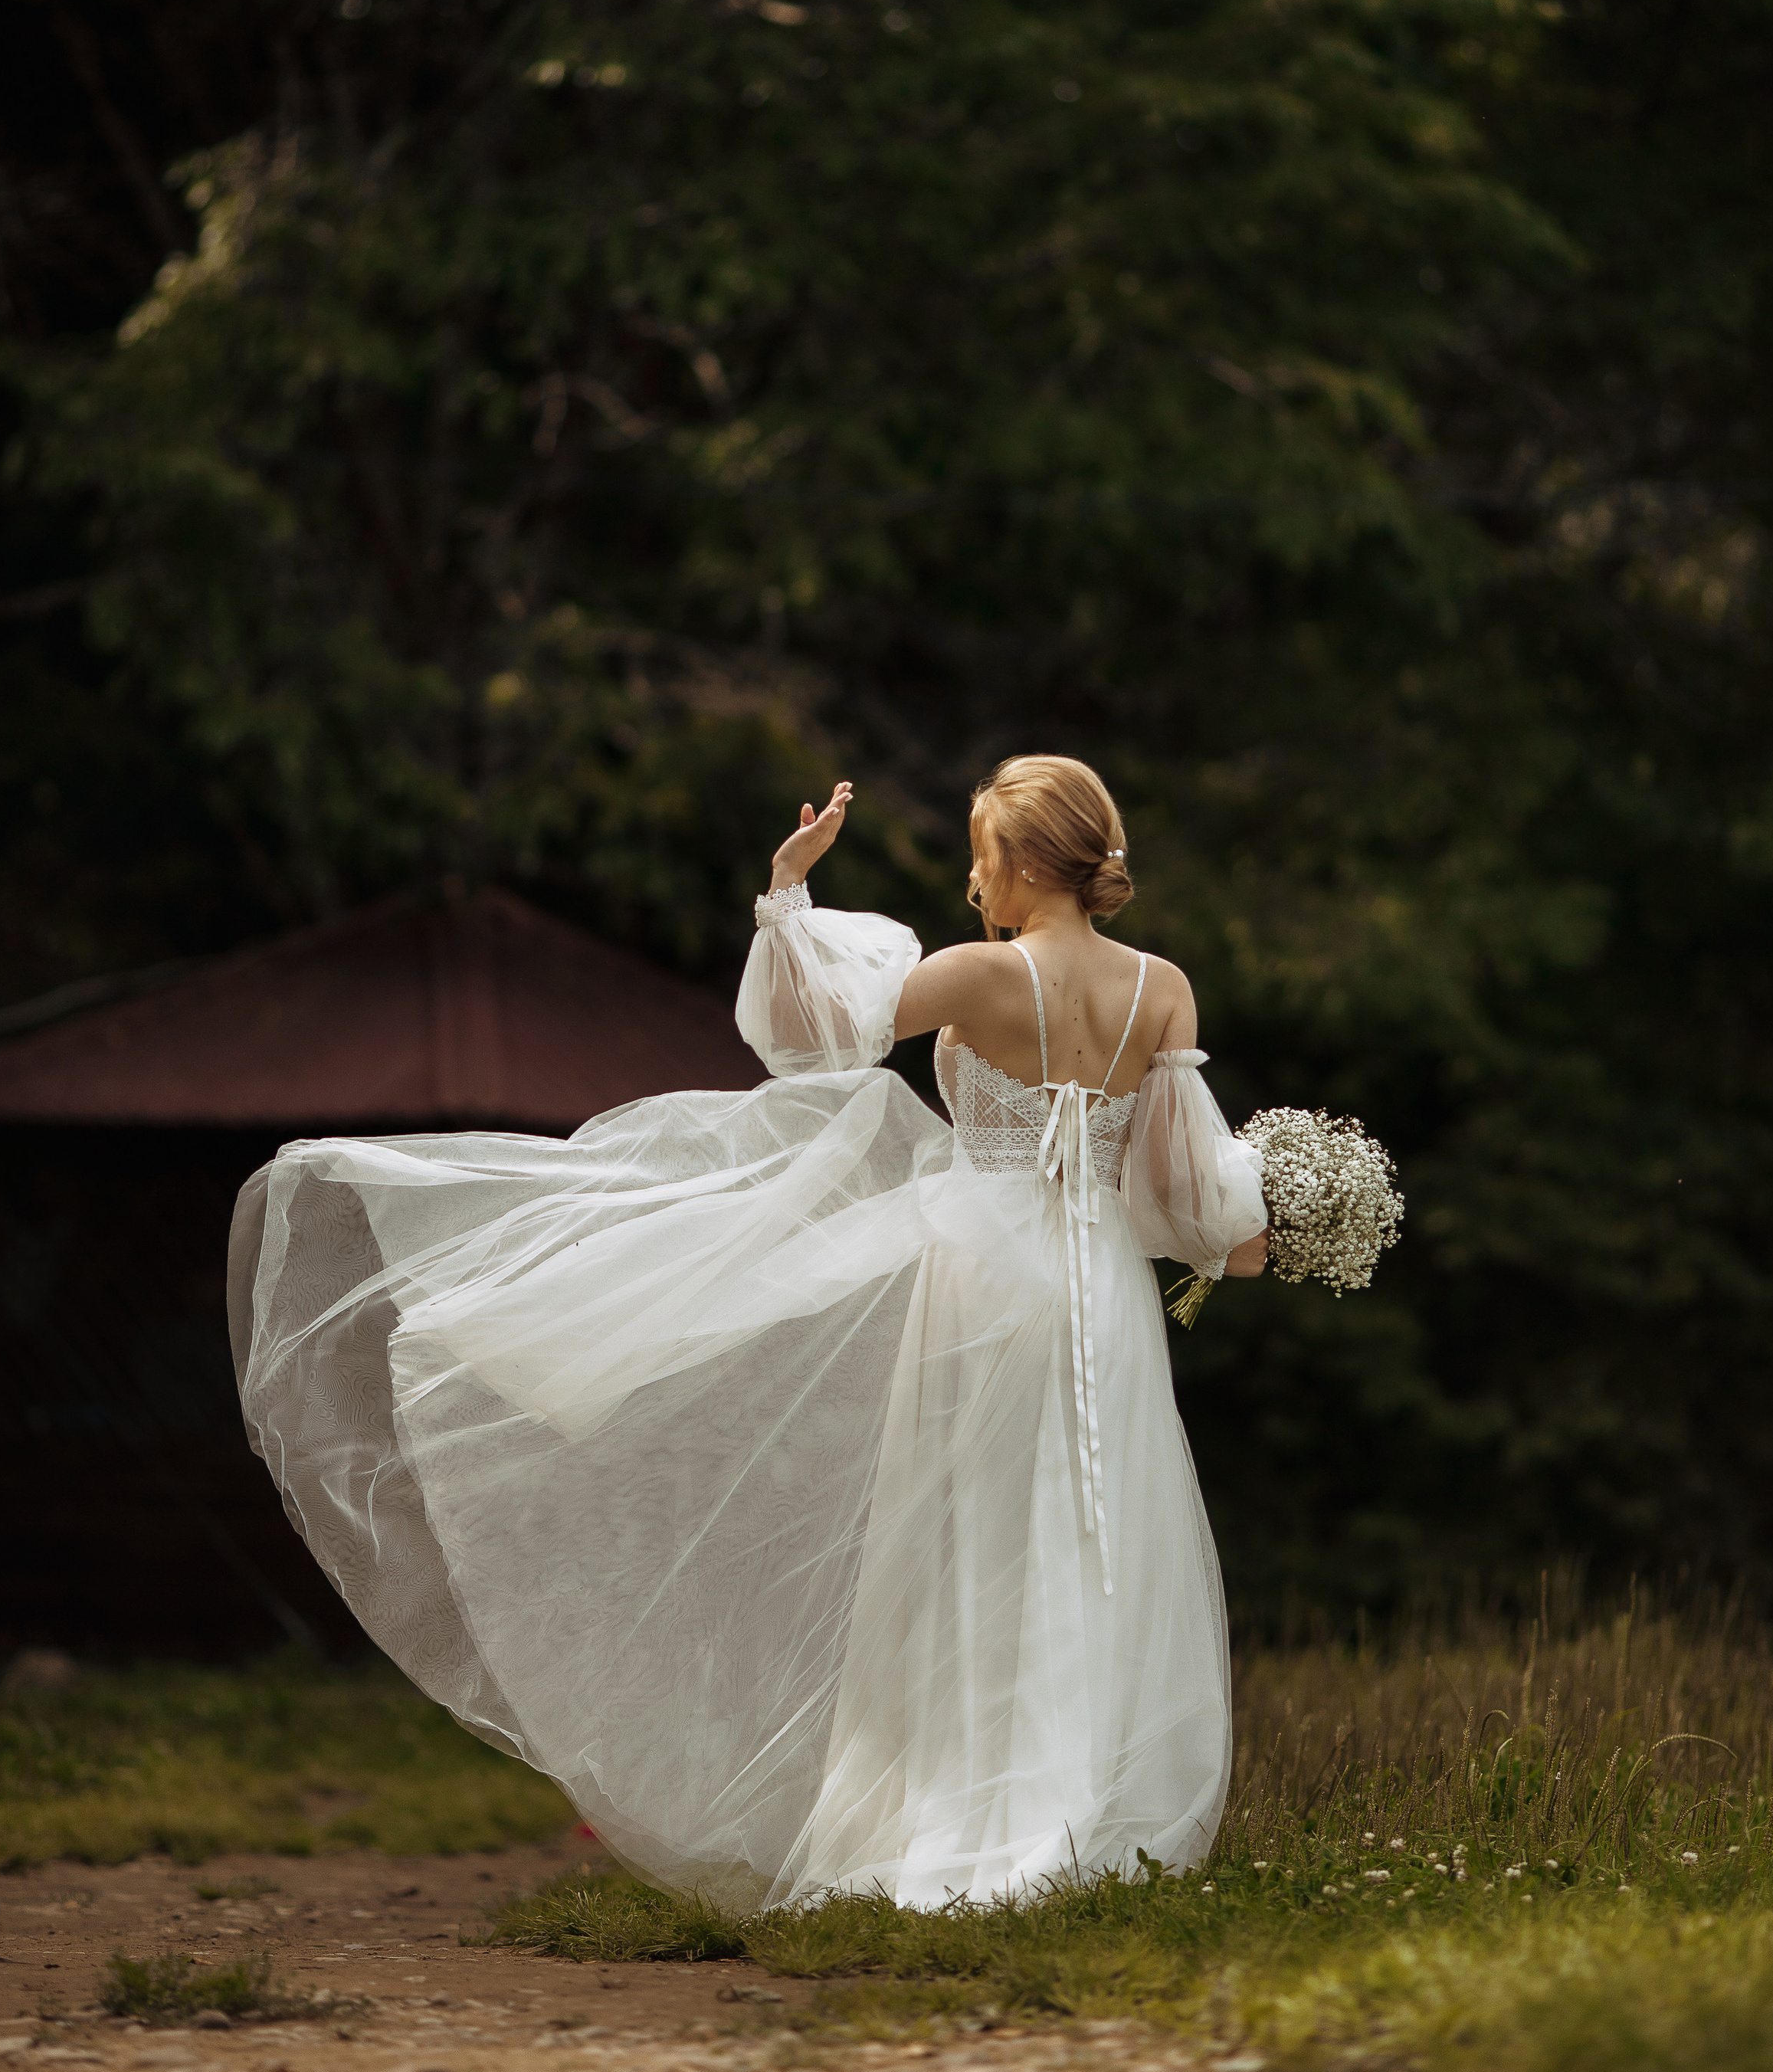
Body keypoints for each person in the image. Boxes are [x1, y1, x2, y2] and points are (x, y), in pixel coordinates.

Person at [231, 753, 1269, 1911]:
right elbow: (1184, 1184)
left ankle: (966, 1810)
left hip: (985, 1272)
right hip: (1098, 1288)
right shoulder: (1163, 989)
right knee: (1091, 1528)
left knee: (963, 1531)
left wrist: (787, 895)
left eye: (983, 859)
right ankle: (1089, 1812)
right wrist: (1265, 1217)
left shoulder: (978, 977)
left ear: (1024, 859)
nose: (978, 885)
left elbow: (816, 1039)